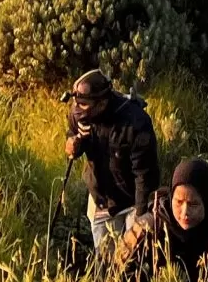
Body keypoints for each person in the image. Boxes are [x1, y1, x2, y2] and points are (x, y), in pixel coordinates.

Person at [64, 69, 161, 257]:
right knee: (105, 265)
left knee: (133, 260)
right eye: (76, 103)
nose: (78, 109)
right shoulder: (78, 113)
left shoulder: (135, 122)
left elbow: (145, 175)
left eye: (84, 104)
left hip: (133, 202)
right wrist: (72, 144)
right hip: (100, 200)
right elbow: (72, 132)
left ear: (102, 103)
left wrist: (141, 221)